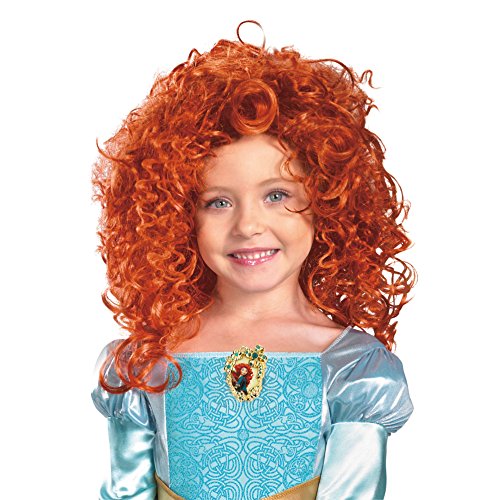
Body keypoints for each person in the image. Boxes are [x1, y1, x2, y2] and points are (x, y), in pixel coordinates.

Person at [91, 20, 416, 500]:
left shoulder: (351, 368)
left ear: (327, 200)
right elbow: (127, 493)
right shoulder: (148, 363)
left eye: (276, 195)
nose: (247, 225)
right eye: (218, 202)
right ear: (179, 217)